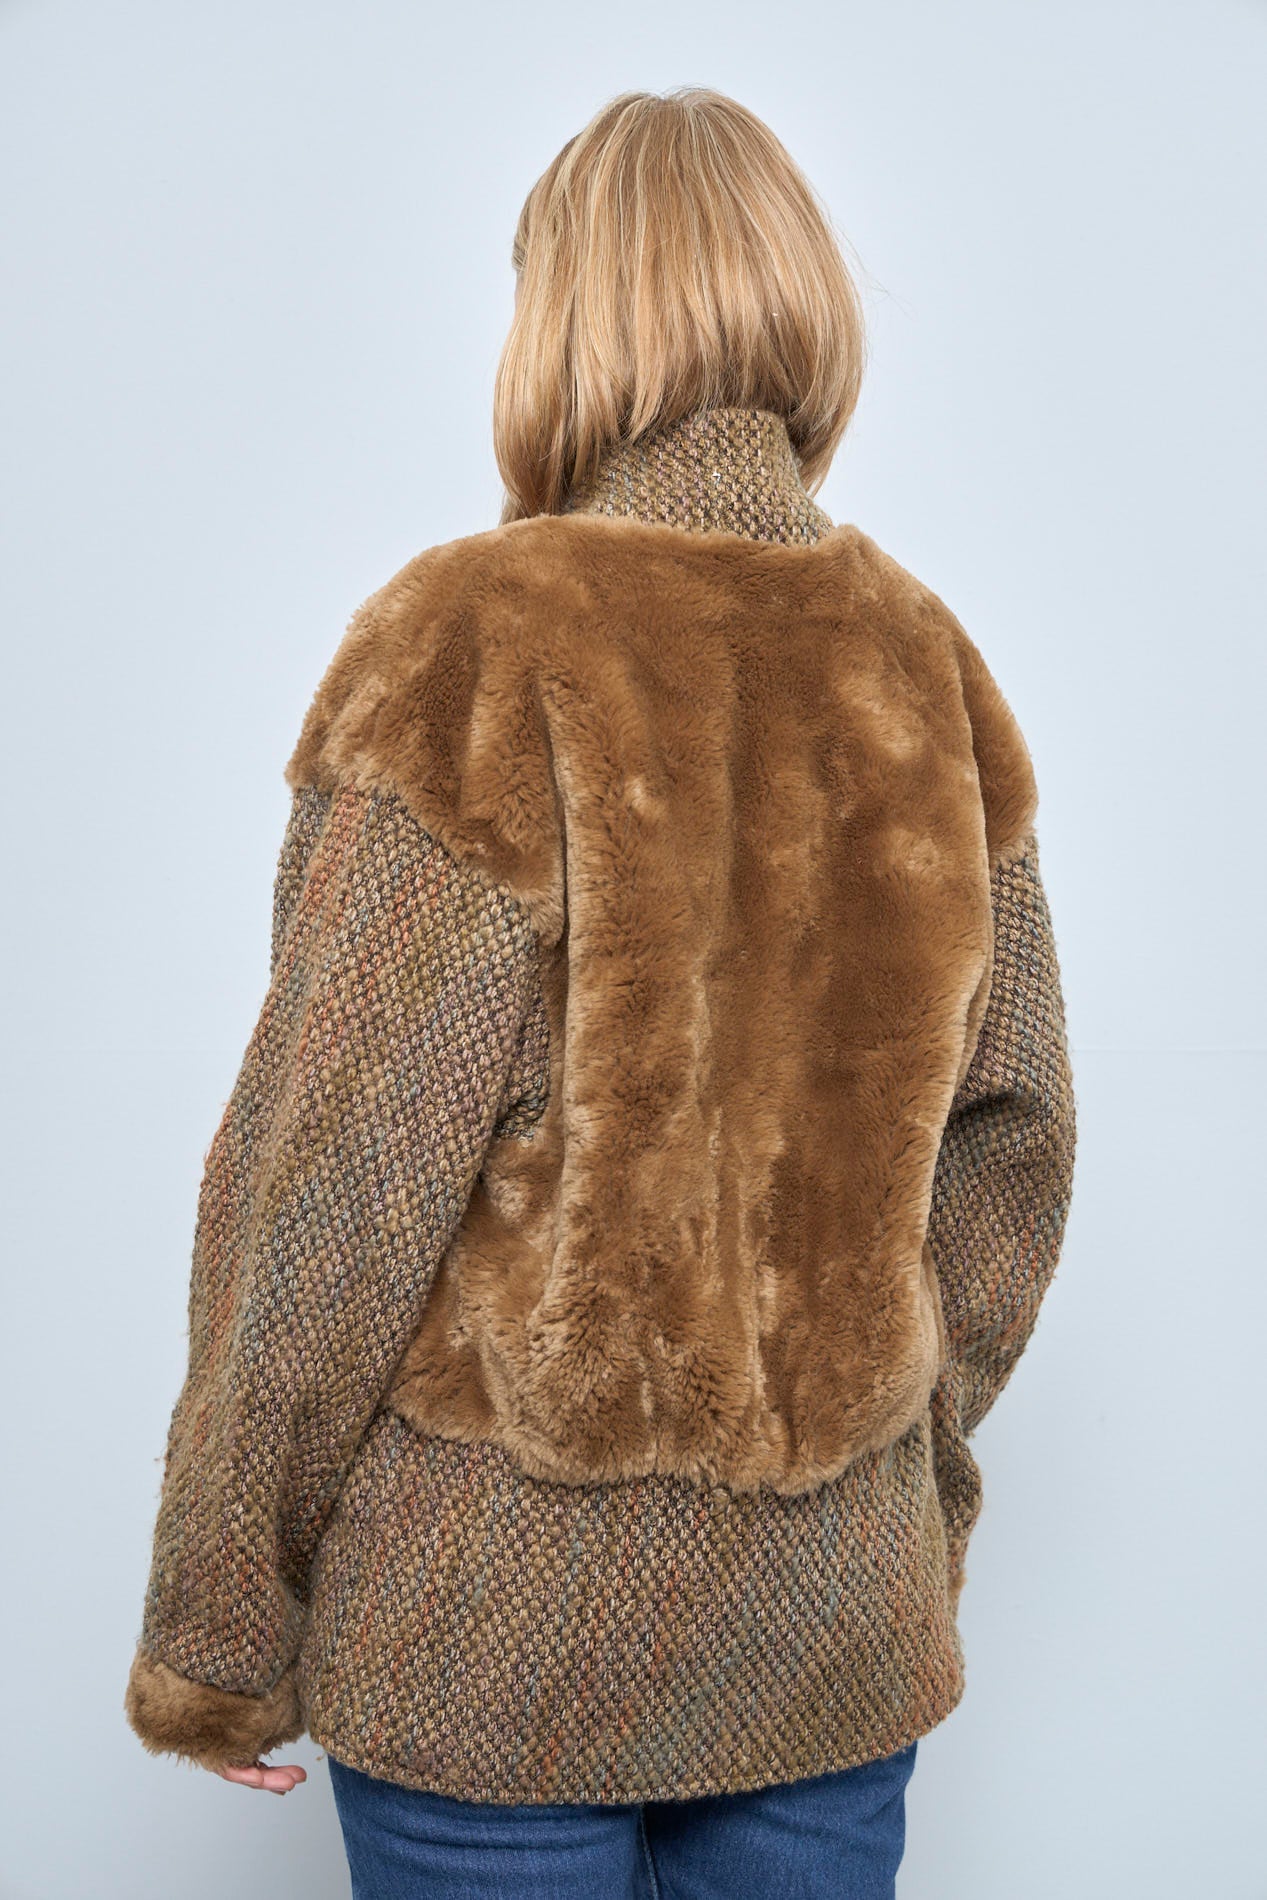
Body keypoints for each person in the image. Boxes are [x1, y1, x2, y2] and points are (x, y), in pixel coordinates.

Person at [123, 85, 1077, 1900]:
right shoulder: (925, 665)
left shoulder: (471, 643)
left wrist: (220, 1623)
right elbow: (1014, 1141)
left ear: (562, 318)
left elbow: (334, 1174)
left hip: (491, 1646)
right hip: (825, 1636)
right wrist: (900, 1484)